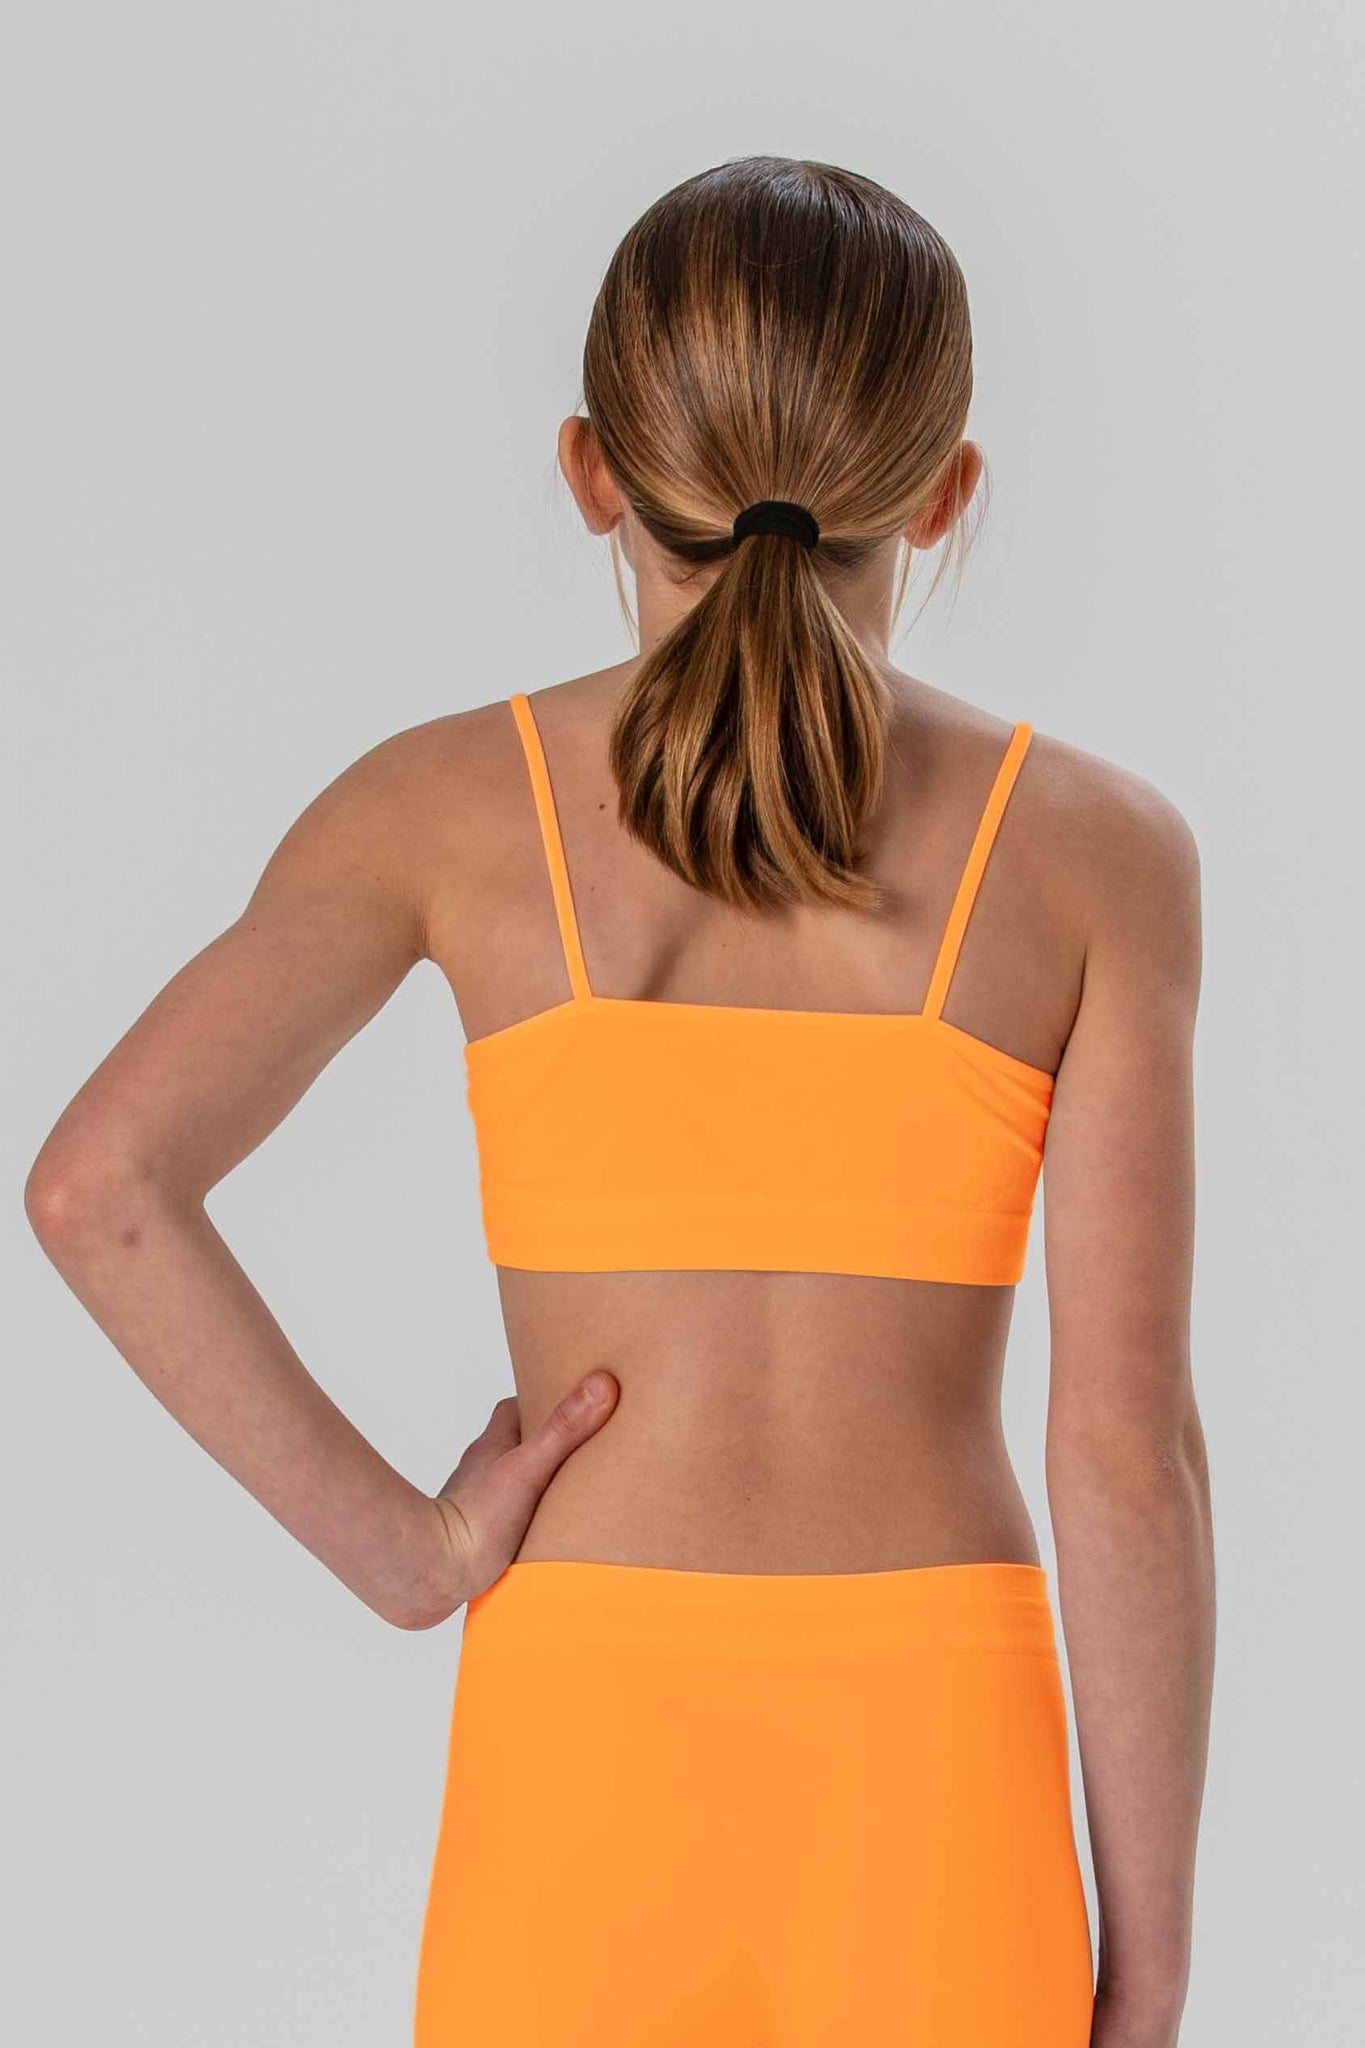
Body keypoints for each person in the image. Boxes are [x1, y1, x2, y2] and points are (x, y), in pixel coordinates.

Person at [26, 154, 1214, 2047]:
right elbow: (1124, 1456)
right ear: (940, 489)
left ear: (593, 471)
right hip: (932, 1760)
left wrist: (410, 1555)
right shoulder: (1093, 856)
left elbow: (101, 1189)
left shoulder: (438, 810)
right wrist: (1144, 1973)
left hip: (583, 1734)